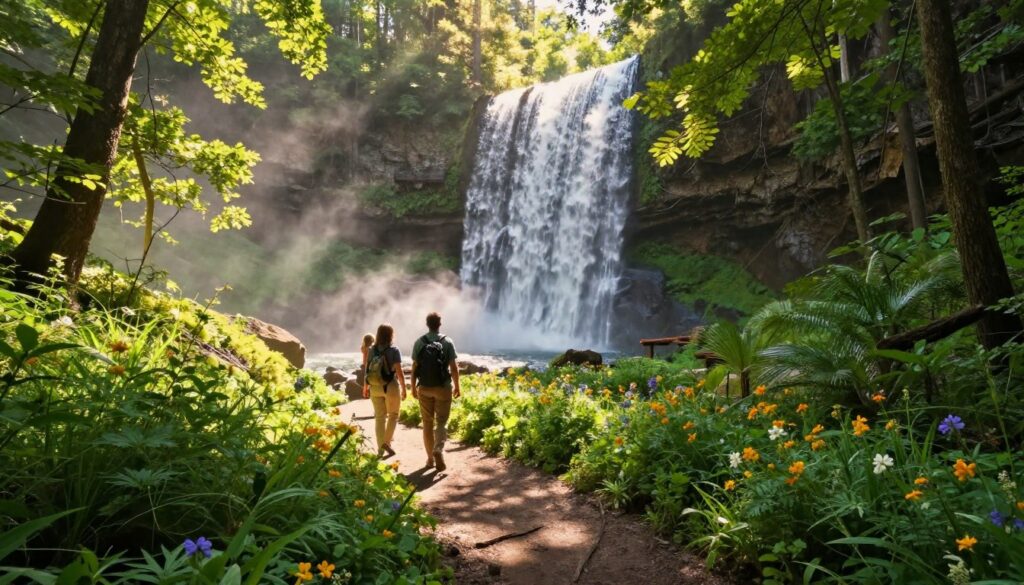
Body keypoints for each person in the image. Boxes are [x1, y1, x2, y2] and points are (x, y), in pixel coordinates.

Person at [411, 312, 460, 471]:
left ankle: (430, 459)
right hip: (443, 387)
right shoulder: (447, 342)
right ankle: (438, 449)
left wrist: (412, 386)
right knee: (441, 422)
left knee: (427, 423)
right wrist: (457, 386)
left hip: (424, 388)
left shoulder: (419, 342)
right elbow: (453, 368)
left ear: (427, 324)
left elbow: (414, 368)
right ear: (440, 324)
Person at [364, 324, 406, 457]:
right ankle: (386, 443)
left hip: (374, 386)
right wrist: (404, 388)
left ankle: (380, 451)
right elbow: (399, 372)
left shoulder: (371, 349)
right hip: (390, 386)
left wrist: (366, 387)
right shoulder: (394, 350)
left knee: (379, 418)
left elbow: (367, 369)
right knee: (393, 415)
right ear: (391, 335)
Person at [360, 332, 374, 397]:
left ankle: (366, 392)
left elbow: (364, 358)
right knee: (369, 380)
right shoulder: (372, 348)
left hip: (364, 365)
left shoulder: (363, 348)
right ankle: (368, 392)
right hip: (370, 365)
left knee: (367, 379)